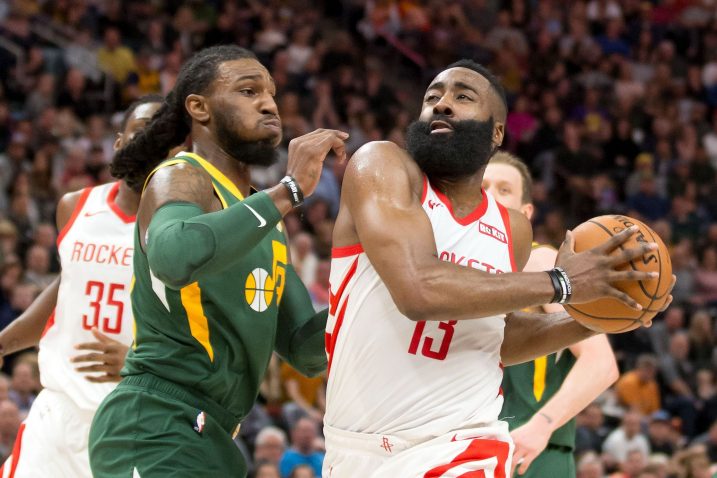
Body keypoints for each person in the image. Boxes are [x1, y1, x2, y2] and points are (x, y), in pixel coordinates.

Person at [323, 59, 672, 477]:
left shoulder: (513, 228)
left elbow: (496, 337)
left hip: (464, 441)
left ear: (497, 132)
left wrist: (601, 318)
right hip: (353, 446)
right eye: (432, 97)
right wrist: (561, 284)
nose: (442, 105)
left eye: (462, 97)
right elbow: (417, 289)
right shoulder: (381, 165)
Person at [88, 45, 346, 477]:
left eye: (271, 93)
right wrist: (288, 191)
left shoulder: (267, 224)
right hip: (156, 422)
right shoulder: (181, 176)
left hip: (212, 435)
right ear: (199, 107)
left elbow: (306, 351)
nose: (268, 102)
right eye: (248, 91)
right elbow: (173, 256)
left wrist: (374, 282)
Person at [0, 95, 165, 477]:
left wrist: (143, 362)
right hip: (59, 410)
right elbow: (68, 285)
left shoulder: (183, 230)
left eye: (163, 137)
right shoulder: (74, 206)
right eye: (142, 133)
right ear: (120, 140)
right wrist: (5, 342)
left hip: (132, 417)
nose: (150, 144)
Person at [484, 151, 619, 478]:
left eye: (504, 190)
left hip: (530, 452)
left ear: (525, 212)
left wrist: (542, 426)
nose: (490, 196)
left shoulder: (540, 263)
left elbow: (601, 364)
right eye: (482, 186)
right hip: (463, 448)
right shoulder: (449, 269)